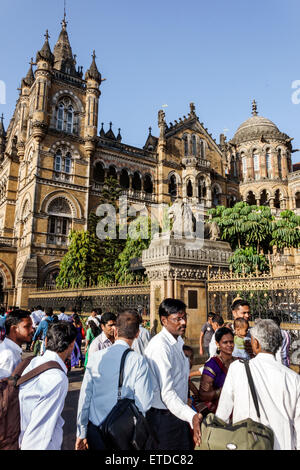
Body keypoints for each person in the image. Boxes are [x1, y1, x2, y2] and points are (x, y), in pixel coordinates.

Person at [216, 319, 300, 450]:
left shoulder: (237, 369)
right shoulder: (293, 378)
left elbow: (222, 414)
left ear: (255, 343)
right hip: (282, 445)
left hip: (246, 443)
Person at [75, 309, 153, 450]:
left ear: (116, 331)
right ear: (137, 334)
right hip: (122, 431)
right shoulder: (138, 361)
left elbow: (85, 397)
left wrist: (81, 432)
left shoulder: (96, 358)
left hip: (96, 428)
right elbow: (145, 404)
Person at [144, 298, 202, 450]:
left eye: (184, 318)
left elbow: (181, 379)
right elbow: (168, 393)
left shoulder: (178, 342)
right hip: (164, 417)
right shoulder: (160, 348)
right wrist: (192, 416)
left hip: (178, 412)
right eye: (177, 319)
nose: (183, 323)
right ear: (164, 320)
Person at [18, 321, 77, 450]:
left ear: (45, 341)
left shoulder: (34, 362)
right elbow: (40, 432)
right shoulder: (57, 378)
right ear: (72, 345)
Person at [199, 327, 235, 414]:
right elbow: (203, 396)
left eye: (231, 342)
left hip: (237, 408)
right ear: (217, 344)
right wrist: (223, 391)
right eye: (225, 342)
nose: (229, 345)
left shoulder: (237, 362)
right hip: (219, 410)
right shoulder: (212, 364)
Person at [0, 309, 34, 379]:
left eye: (31, 326)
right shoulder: (9, 356)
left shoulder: (10, 349)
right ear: (14, 329)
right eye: (27, 326)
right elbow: (4, 387)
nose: (32, 330)